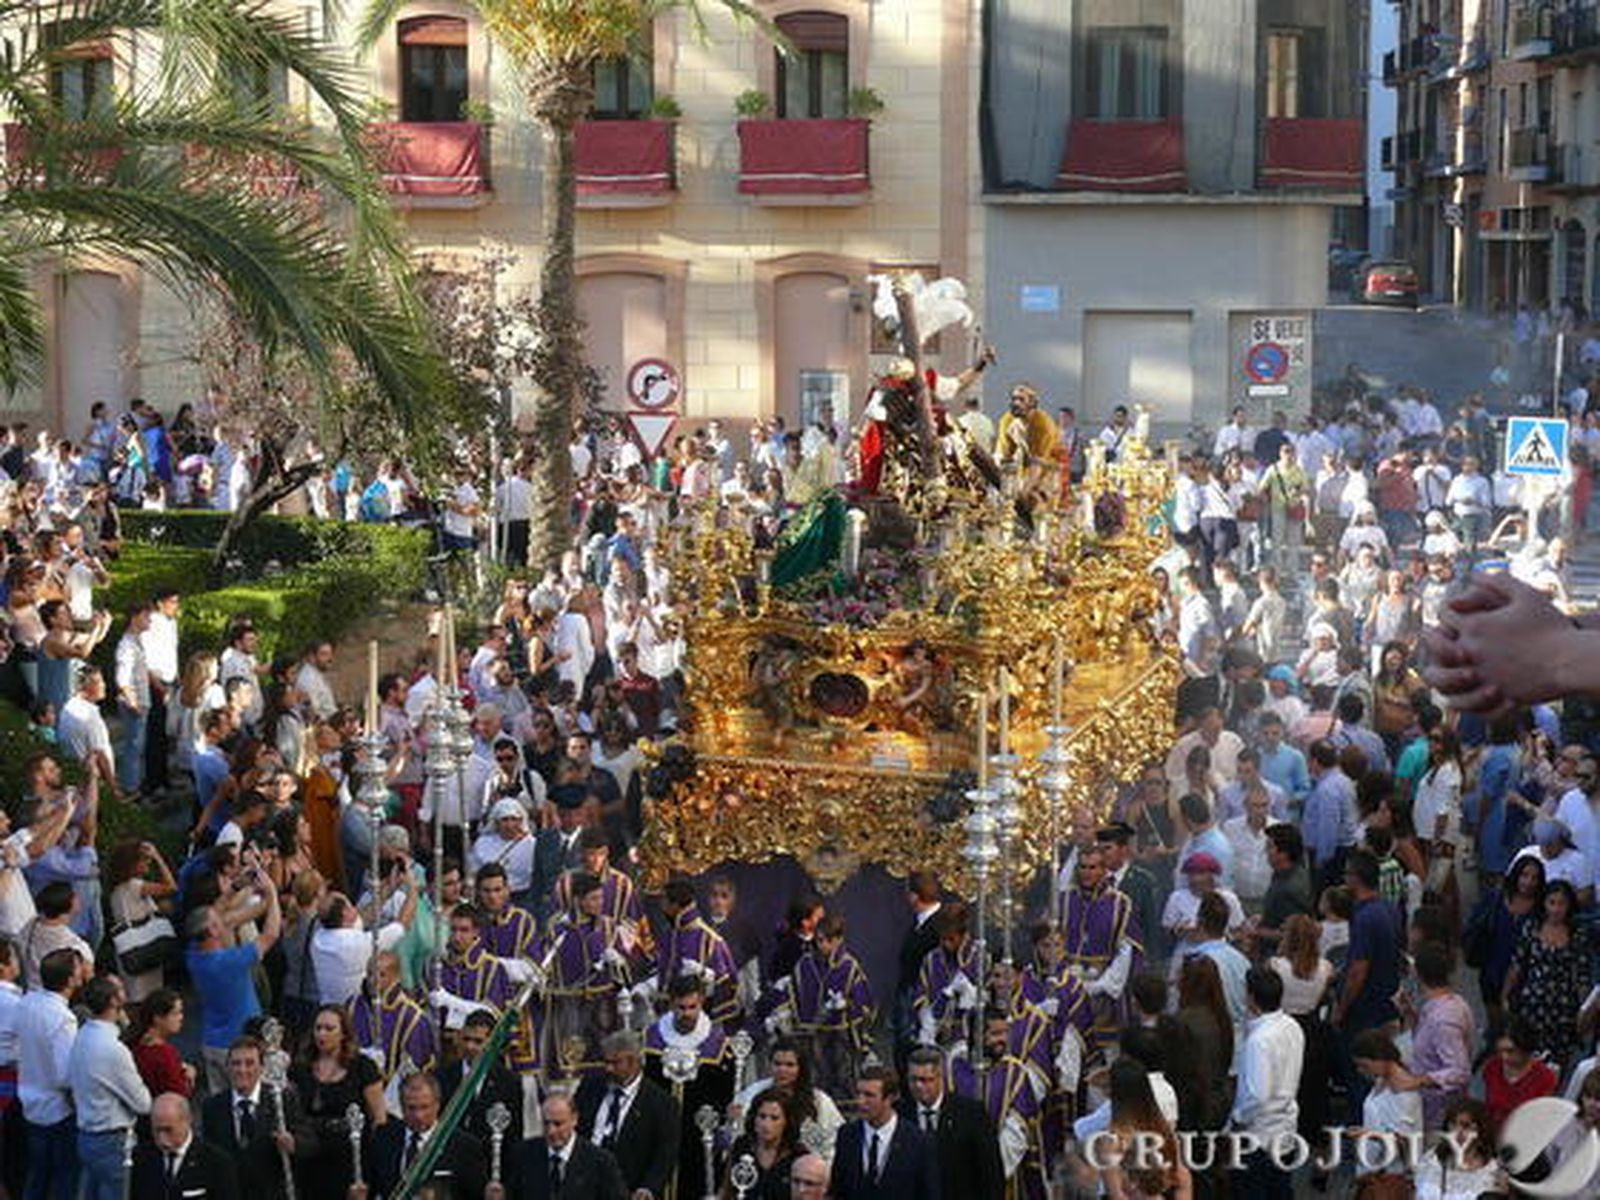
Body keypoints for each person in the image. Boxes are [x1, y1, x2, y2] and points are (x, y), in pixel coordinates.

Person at [184, 865, 280, 1094]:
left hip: (211, 1042)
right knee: (250, 1101)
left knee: (222, 1107)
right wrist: (272, 893)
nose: (221, 921)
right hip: (240, 1047)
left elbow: (214, 914)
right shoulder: (230, 961)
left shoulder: (193, 955)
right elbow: (271, 934)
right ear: (213, 932)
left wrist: (236, 887)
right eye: (217, 924)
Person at [67, 975, 151, 1200]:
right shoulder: (112, 1049)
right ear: (114, 1001)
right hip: (112, 1142)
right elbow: (143, 1103)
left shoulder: (82, 1036)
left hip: (86, 1136)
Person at [290, 1005, 385, 1200]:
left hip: (350, 1160)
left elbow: (379, 1118)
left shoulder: (363, 1067)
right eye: (318, 1028)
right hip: (310, 1159)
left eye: (329, 1028)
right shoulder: (300, 1067)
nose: (321, 1034)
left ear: (343, 1033)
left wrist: (373, 1166)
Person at [574, 1031, 679, 1200]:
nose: (608, 1068)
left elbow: (665, 1154)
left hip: (628, 1190)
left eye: (615, 1063)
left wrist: (649, 1188)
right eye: (605, 1062)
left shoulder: (661, 1103)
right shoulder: (590, 1087)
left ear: (634, 1062)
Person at [1229, 967, 1304, 1200]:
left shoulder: (1259, 1041)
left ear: (1251, 997)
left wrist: (1238, 1117)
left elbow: (1257, 1096)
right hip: (1286, 1128)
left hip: (1259, 1137)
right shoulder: (1292, 1026)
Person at [17, 947, 84, 1200]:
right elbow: (65, 1076)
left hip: (30, 1104)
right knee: (64, 1180)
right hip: (57, 1111)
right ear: (69, 980)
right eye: (78, 970)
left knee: (36, 1176)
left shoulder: (28, 1003)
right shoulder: (63, 1018)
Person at [361, 1073, 485, 1200]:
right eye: (411, 1108)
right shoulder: (383, 1139)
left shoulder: (464, 1146)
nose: (418, 1116)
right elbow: (372, 1188)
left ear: (437, 1105)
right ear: (401, 1107)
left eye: (425, 1107)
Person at [901, 1046, 1002, 1200]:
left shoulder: (971, 1114)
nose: (918, 1086)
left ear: (941, 1078)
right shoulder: (900, 1115)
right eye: (913, 1079)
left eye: (926, 1080)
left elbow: (990, 1174)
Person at [830, 1066, 939, 1200]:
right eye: (859, 1093)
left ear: (890, 1098)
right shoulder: (847, 1135)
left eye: (869, 1095)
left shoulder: (918, 1142)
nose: (860, 1101)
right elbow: (838, 1189)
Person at [510, 1090, 626, 1200]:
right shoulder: (524, 1155)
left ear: (574, 1119)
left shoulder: (600, 1162)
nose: (551, 1131)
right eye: (546, 1123)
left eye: (558, 1124)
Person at [1349, 1029, 1423, 1200]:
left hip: (1389, 1177)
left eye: (1364, 1065)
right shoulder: (1382, 1079)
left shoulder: (1405, 1095)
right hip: (1374, 1171)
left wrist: (1369, 1135)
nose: (1360, 1071)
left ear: (1381, 1059)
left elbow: (1404, 1142)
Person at [130, 1093, 240, 1200]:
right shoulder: (140, 1159)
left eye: (168, 1130)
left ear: (187, 1121)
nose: (162, 1139)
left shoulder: (217, 1162)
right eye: (157, 1131)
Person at [1482, 1015, 1558, 1134]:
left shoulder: (1545, 1077)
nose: (1504, 1057)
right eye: (1500, 1051)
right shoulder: (1492, 1067)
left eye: (1510, 1051)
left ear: (1525, 1047)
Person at [722, 1089, 802, 1200]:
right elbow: (726, 1189)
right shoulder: (742, 1146)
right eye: (762, 1116)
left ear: (787, 1122)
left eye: (774, 1118)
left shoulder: (798, 1155)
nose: (766, 1124)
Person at [1413, 1099, 1500, 1200]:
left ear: (1480, 1130)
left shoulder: (1492, 1172)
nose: (1458, 1131)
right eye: (1453, 1124)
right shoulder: (1430, 1159)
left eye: (1466, 1126)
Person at [128, 989, 193, 1100]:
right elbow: (180, 1096)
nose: (181, 1017)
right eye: (175, 1013)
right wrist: (190, 1077)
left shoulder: (136, 1042)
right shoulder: (165, 1054)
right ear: (157, 1019)